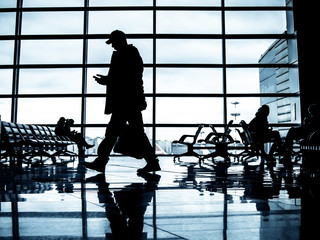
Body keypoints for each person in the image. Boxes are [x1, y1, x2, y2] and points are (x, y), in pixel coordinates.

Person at [83, 30, 161, 173]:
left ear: (120, 40)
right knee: (133, 133)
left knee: (113, 133)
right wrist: (108, 80)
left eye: (113, 43)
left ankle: (101, 162)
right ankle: (151, 162)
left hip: (126, 102)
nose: (113, 46)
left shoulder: (128, 54)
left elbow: (127, 78)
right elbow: (128, 77)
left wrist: (108, 80)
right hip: (130, 101)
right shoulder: (129, 54)